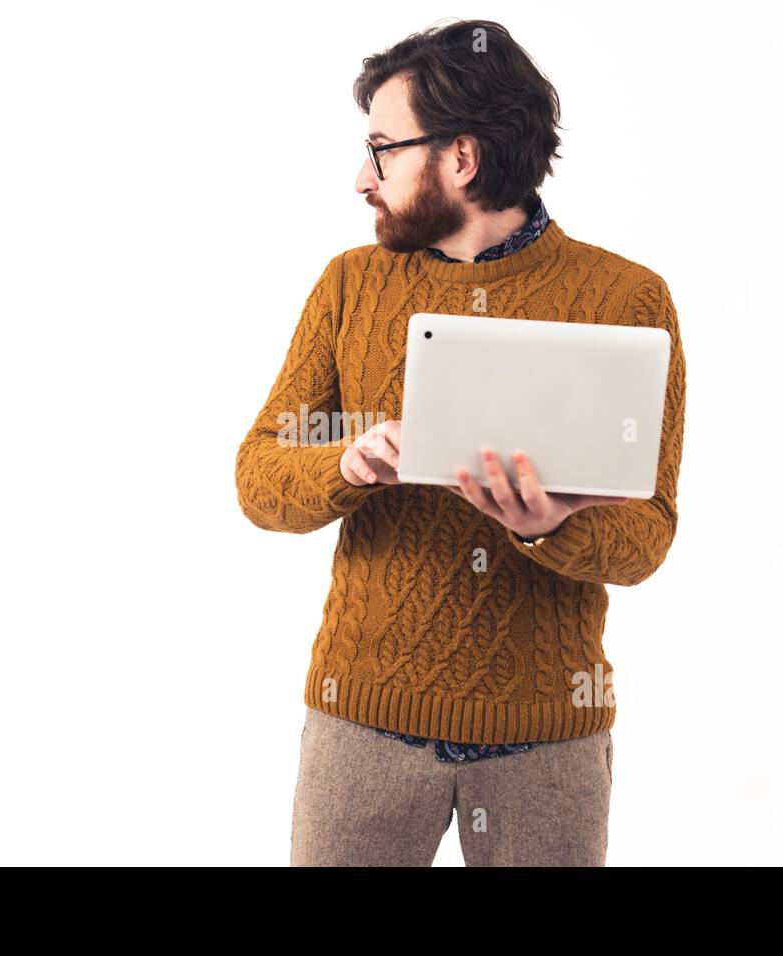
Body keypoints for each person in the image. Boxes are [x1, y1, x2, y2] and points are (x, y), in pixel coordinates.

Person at [234, 18, 687, 866]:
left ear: (461, 159)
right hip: (360, 728)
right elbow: (258, 478)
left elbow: (647, 536)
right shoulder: (348, 286)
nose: (361, 179)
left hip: (547, 746)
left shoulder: (626, 299)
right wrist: (345, 460)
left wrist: (550, 524)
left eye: (382, 150)